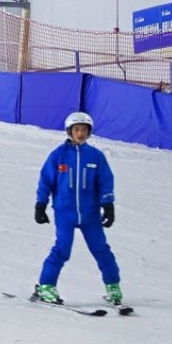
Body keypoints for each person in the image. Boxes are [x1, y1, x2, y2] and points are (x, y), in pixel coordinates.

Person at [32, 111, 123, 306]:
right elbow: (46, 181)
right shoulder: (59, 155)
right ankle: (46, 286)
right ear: (69, 131)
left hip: (90, 213)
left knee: (101, 249)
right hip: (65, 212)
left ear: (89, 132)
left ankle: (113, 286)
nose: (80, 133)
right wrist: (41, 204)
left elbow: (105, 181)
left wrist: (108, 204)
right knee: (62, 249)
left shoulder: (96, 157)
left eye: (84, 130)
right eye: (76, 129)